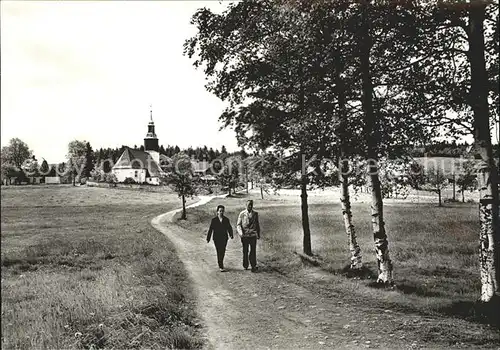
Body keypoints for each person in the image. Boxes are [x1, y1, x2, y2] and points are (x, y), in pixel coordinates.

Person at [206, 205, 233, 272]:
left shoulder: (226, 220)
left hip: (224, 238)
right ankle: (220, 265)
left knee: (223, 250)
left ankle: (220, 262)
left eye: (222, 211)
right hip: (216, 238)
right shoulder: (214, 220)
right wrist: (208, 238)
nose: (221, 212)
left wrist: (231, 234)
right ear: (217, 212)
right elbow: (210, 229)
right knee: (219, 251)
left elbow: (229, 228)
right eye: (220, 211)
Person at [237, 200, 261, 272]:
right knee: (245, 250)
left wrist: (258, 234)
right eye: (248, 205)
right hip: (245, 235)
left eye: (251, 205)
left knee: (253, 251)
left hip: (253, 235)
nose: (250, 206)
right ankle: (245, 264)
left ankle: (253, 265)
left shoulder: (255, 214)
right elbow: (238, 225)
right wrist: (241, 233)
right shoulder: (242, 214)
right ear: (246, 205)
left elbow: (257, 224)